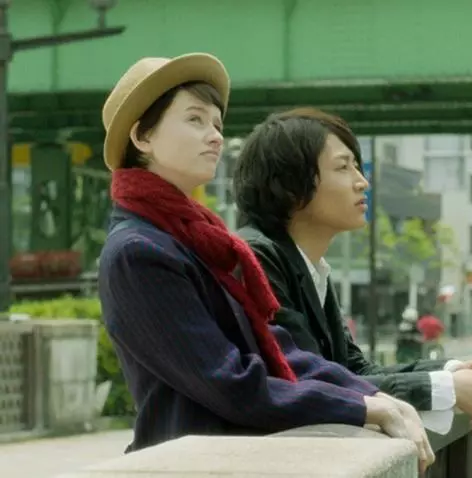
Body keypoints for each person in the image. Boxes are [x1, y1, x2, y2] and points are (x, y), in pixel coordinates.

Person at [96, 54, 435, 469]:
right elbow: (228, 381)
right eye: (195, 120)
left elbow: (277, 349)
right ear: (142, 137)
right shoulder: (138, 252)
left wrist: (377, 397)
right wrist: (362, 408)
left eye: (218, 124)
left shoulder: (199, 240)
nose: (215, 136)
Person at [233, 107, 472, 436]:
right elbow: (308, 380)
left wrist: (459, 372)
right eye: (343, 167)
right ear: (289, 186)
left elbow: (352, 369)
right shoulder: (256, 258)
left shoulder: (306, 265)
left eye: (357, 166)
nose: (362, 182)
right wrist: (449, 388)